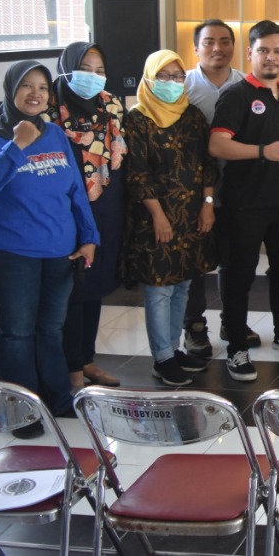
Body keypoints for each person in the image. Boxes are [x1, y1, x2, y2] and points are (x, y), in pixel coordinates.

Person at [0, 61, 98, 426]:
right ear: (12, 89)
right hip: (9, 251)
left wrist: (89, 237)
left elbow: (76, 190)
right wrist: (18, 144)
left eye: (43, 87)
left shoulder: (55, 133)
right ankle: (22, 411)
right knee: (17, 333)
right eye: (27, 85)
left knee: (50, 330)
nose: (35, 94)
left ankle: (57, 400)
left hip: (59, 249)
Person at [210, 20, 279, 381]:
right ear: (250, 53)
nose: (271, 57)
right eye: (263, 51)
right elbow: (217, 145)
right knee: (239, 275)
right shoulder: (236, 95)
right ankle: (237, 348)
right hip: (243, 204)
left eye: (277, 51)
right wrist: (261, 150)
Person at [120, 50, 218, 387]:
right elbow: (138, 173)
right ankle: (162, 358)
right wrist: (159, 216)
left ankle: (174, 350)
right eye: (164, 76)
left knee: (183, 284)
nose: (172, 83)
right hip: (155, 218)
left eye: (178, 76)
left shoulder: (192, 115)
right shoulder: (138, 118)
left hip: (191, 214)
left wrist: (208, 204)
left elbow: (207, 164)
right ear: (149, 78)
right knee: (159, 288)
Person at [52, 42, 126, 391]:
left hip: (105, 205)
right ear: (66, 68)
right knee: (71, 288)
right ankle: (70, 368)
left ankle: (86, 359)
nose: (93, 77)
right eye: (84, 69)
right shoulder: (50, 108)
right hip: (65, 207)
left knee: (94, 285)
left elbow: (118, 151)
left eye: (99, 71)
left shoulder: (111, 104)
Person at [181, 19, 249, 358]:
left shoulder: (246, 85)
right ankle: (194, 326)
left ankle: (231, 322)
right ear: (196, 48)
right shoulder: (182, 86)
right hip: (193, 193)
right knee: (194, 263)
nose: (217, 48)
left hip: (238, 191)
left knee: (234, 262)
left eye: (225, 41)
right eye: (209, 42)